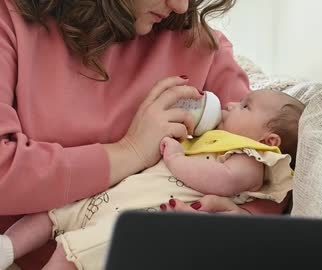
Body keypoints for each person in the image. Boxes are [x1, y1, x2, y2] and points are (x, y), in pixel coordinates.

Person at [0, 0, 288, 268]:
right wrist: (131, 151)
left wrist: (245, 219)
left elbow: (265, 161)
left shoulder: (201, 46)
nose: (180, 6)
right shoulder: (10, 22)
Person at [0, 89, 304, 270]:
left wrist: (176, 159)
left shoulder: (254, 158)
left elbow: (223, 181)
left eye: (245, 106)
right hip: (114, 196)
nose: (231, 104)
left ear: (270, 139)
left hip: (138, 216)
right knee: (53, 210)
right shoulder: (216, 138)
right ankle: (7, 248)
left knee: (73, 255)